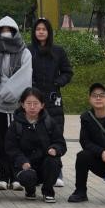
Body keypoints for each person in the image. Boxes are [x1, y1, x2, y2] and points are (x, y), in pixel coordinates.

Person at [0, 15, 32, 191]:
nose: (5, 33)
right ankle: (2, 176)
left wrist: (11, 93)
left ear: (15, 32)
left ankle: (17, 175)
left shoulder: (25, 52)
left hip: (17, 105)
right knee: (0, 141)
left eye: (9, 30)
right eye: (2, 30)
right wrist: (6, 92)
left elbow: (24, 77)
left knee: (18, 142)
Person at [29, 17, 73, 186]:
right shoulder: (28, 51)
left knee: (55, 133)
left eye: (44, 29)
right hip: (33, 98)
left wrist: (58, 82)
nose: (41, 32)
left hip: (53, 99)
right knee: (34, 135)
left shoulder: (58, 51)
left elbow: (67, 72)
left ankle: (57, 171)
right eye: (38, 29)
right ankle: (35, 171)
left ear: (49, 32)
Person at [5, 87, 66, 203]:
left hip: (45, 165)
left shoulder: (49, 122)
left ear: (42, 105)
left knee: (53, 161)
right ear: (22, 104)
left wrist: (55, 149)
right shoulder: (16, 124)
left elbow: (60, 143)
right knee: (27, 176)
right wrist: (22, 161)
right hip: (25, 166)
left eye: (36, 103)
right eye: (28, 103)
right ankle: (30, 190)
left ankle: (48, 191)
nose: (32, 107)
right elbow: (11, 148)